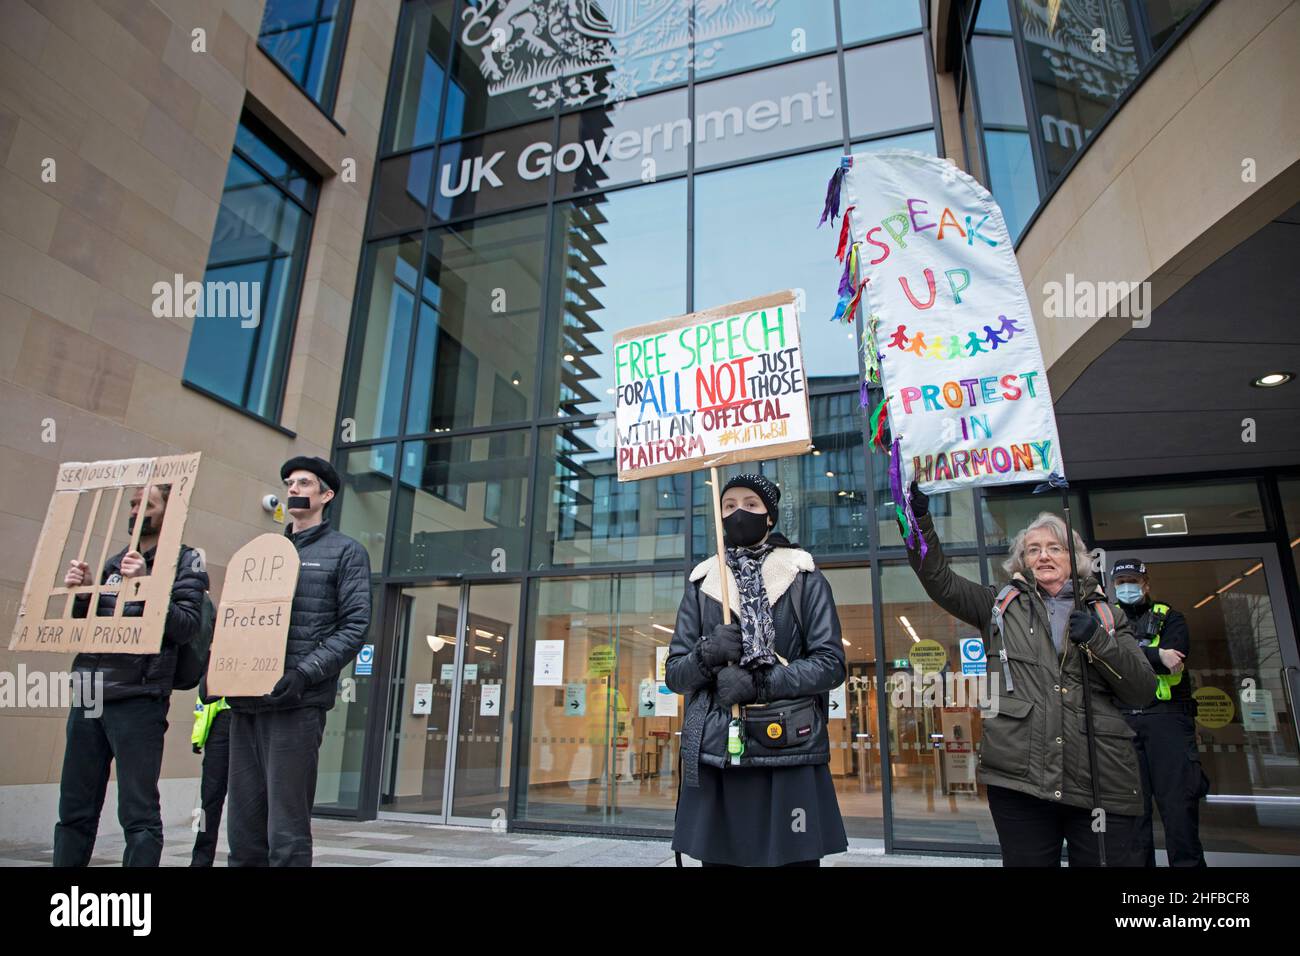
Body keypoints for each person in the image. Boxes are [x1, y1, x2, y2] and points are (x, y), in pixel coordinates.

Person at [904, 482, 1156, 866]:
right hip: (1019, 781)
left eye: (1054, 548)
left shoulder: (1108, 615)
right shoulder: (999, 606)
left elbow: (1141, 690)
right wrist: (918, 519)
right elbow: (940, 580)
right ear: (1022, 561)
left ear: (1076, 558)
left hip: (1100, 781)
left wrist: (1099, 643)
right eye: (1033, 550)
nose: (1043, 556)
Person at [666, 473, 847, 867]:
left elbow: (831, 665)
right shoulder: (702, 583)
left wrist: (760, 683)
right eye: (728, 506)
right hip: (719, 758)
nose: (738, 513)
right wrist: (707, 653)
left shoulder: (804, 577)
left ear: (770, 517)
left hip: (789, 757)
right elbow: (675, 674)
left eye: (751, 504)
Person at [225, 456, 371, 866]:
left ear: (326, 495)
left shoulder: (346, 552)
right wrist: (217, 669)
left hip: (296, 704)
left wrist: (303, 673)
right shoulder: (263, 553)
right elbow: (236, 617)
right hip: (245, 702)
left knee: (285, 830)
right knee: (243, 828)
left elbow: (354, 626)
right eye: (289, 482)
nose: (294, 488)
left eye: (305, 482)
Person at [54, 483, 209, 867]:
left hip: (139, 698)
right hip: (91, 693)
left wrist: (145, 584)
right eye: (134, 503)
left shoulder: (185, 562)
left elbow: (186, 626)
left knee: (137, 813)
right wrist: (82, 595)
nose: (138, 510)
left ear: (168, 513)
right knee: (74, 807)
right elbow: (93, 625)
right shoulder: (116, 560)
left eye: (148, 504)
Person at [1112, 557, 1209, 867]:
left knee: (1178, 810)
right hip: (1125, 722)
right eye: (1120, 582)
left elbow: (1176, 655)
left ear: (1146, 584)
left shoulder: (1170, 617)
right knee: (1133, 818)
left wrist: (1132, 655)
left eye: (1132, 581)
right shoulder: (1107, 621)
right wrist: (1156, 653)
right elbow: (1105, 656)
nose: (1126, 587)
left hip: (1167, 720)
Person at [189, 688, 231, 867]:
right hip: (220, 726)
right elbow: (203, 701)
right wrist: (198, 735)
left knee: (248, 801)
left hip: (249, 717)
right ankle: (200, 860)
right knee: (209, 800)